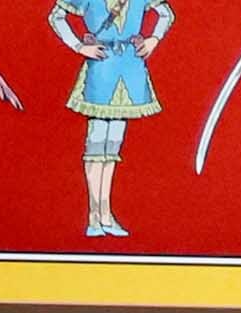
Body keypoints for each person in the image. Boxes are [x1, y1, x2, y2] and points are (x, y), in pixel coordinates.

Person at [48, 0, 171, 230]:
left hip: (130, 69)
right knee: (96, 145)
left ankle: (105, 213)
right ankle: (95, 214)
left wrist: (154, 39)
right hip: (101, 70)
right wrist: (78, 46)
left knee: (112, 146)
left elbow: (166, 14)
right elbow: (56, 17)